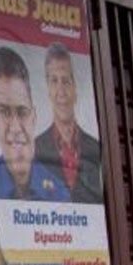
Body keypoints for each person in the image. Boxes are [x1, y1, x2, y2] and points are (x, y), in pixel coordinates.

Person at [0, 46, 71, 203]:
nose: (15, 128)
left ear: (34, 115)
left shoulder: (59, 193)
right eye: (4, 112)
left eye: (22, 112)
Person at [32, 44, 102, 205]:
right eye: (54, 81)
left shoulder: (96, 149)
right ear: (47, 88)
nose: (61, 90)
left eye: (66, 80)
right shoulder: (34, 150)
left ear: (76, 87)